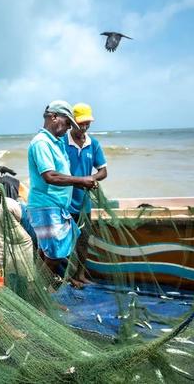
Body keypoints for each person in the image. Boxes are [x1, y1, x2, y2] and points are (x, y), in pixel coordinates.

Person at [26, 100, 97, 284]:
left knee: (47, 254)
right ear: (54, 117)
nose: (68, 129)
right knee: (55, 256)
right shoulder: (41, 143)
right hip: (46, 206)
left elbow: (62, 174)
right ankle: (39, 299)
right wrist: (81, 180)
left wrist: (80, 185)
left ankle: (43, 296)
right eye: (67, 123)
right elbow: (49, 176)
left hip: (56, 207)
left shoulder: (55, 142)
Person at [64, 103, 107, 287]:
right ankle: (63, 276)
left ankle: (79, 274)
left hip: (84, 203)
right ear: (72, 122)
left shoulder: (93, 144)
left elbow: (103, 171)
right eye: (81, 123)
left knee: (83, 240)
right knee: (64, 241)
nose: (84, 127)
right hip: (64, 202)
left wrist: (92, 177)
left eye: (87, 123)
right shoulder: (63, 143)